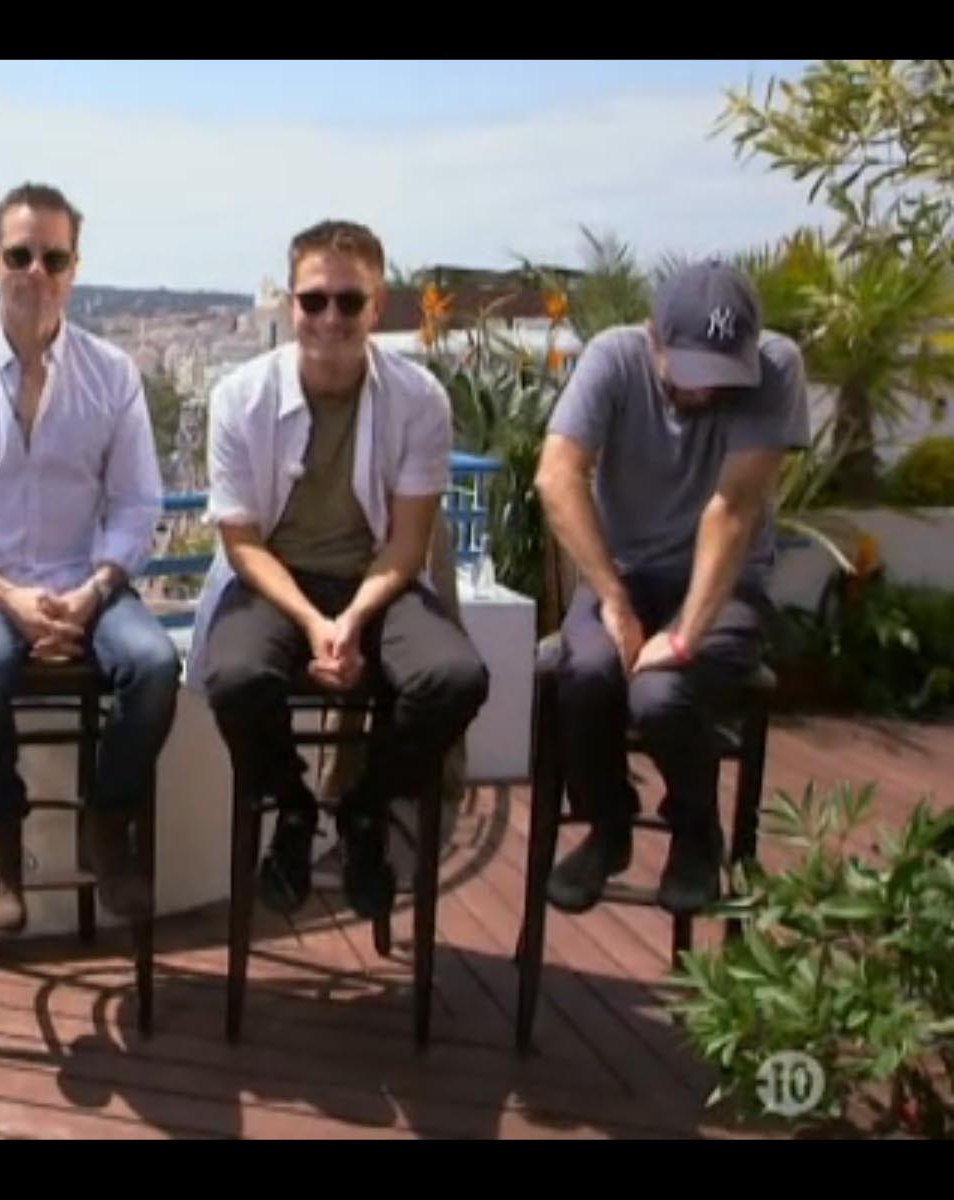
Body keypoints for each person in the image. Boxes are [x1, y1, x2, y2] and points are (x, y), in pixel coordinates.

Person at [0, 182, 179, 934]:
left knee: (156, 666)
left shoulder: (111, 374)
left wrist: (90, 593)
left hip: (86, 581)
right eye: (21, 256)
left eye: (54, 259)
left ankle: (107, 819)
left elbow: (138, 504)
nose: (37, 273)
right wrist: (6, 597)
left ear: (74, 268)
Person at [193, 220, 489, 919]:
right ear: (290, 303)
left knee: (455, 678)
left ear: (377, 305)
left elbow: (408, 544)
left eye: (349, 301)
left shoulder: (419, 400)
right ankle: (293, 807)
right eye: (314, 300)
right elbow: (242, 543)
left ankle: (365, 805)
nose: (330, 318)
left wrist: (352, 619)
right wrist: (314, 624)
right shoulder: (240, 397)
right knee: (233, 678)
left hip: (376, 581)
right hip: (274, 581)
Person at [536, 261, 808, 914]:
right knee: (586, 672)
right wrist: (613, 597)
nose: (706, 390)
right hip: (626, 573)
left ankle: (695, 832)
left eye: (723, 373)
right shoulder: (614, 358)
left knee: (660, 694)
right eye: (691, 370)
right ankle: (608, 825)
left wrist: (684, 635)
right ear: (654, 338)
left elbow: (732, 508)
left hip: (724, 584)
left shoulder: (777, 366)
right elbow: (557, 475)